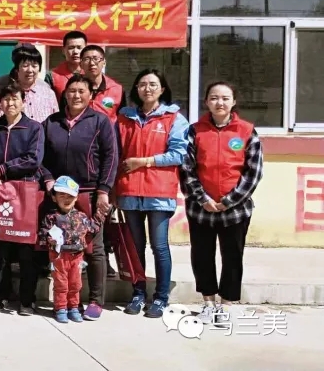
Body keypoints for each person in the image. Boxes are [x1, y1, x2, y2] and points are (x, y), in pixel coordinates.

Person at [180, 81, 263, 324]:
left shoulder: (247, 131)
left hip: (235, 211)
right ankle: (208, 303)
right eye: (214, 98)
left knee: (232, 256)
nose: (220, 102)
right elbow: (186, 168)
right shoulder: (195, 131)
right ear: (207, 101)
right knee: (202, 255)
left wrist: (230, 201)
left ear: (233, 102)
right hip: (201, 209)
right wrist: (202, 198)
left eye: (225, 98)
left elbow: (253, 172)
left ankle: (226, 305)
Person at [37, 74, 118, 321]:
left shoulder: (100, 122)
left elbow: (111, 157)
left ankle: (95, 300)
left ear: (90, 95)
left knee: (94, 248)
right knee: (57, 246)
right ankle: (64, 302)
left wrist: (103, 191)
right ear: (65, 95)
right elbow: (40, 157)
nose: (76, 95)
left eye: (82, 91)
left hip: (88, 192)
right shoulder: (51, 123)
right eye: (72, 91)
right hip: (58, 195)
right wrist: (48, 179)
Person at [115, 69, 189, 318]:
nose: (147, 88)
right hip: (129, 191)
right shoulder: (124, 118)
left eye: (153, 84)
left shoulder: (174, 118)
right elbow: (115, 152)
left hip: (159, 192)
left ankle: (160, 297)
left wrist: (145, 161)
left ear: (162, 89)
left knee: (159, 246)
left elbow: (179, 154)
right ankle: (137, 293)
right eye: (142, 84)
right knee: (135, 247)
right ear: (136, 89)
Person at [0, 82, 44, 314]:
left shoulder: (34, 128)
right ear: (0, 102)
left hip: (24, 192)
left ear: (23, 102)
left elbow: (33, 159)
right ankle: (0, 294)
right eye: (6, 99)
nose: (10, 103)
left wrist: (2, 169)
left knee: (25, 248)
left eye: (15, 98)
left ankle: (27, 299)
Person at [41, 176, 103, 324]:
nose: (66, 199)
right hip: (59, 256)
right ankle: (60, 308)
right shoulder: (51, 217)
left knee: (75, 284)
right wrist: (49, 239)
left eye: (70, 196)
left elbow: (92, 229)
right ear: (54, 198)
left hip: (77, 256)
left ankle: (73, 307)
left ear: (76, 198)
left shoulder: (82, 216)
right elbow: (43, 233)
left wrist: (100, 216)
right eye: (62, 195)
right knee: (61, 284)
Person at [0, 44, 59, 123]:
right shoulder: (4, 91)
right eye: (25, 66)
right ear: (17, 69)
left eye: (34, 66)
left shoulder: (48, 93)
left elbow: (55, 122)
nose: (30, 70)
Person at [79, 45, 125, 123]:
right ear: (81, 64)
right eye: (87, 59)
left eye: (96, 58)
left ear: (104, 63)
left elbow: (122, 119)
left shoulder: (117, 89)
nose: (92, 63)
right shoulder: (73, 88)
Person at [46, 31, 87, 99]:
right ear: (63, 50)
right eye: (71, 48)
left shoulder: (91, 74)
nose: (75, 52)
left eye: (79, 48)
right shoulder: (51, 76)